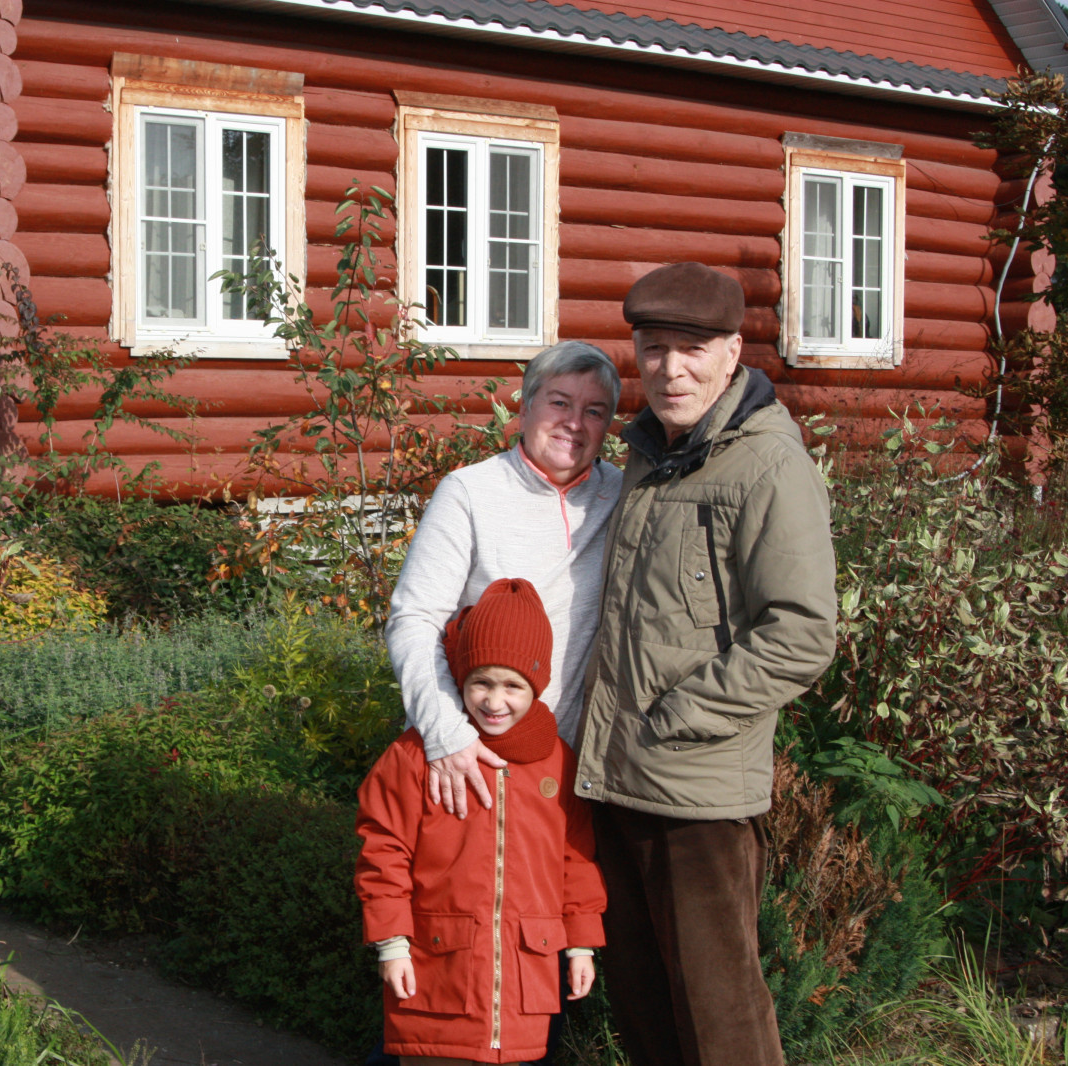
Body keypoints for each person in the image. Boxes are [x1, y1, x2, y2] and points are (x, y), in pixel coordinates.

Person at [571, 262, 838, 1066]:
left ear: (732, 352)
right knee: (647, 1007)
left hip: (698, 795)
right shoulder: (654, 456)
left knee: (722, 1020)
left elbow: (801, 632)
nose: (670, 370)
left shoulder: (765, 465)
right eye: (653, 350)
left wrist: (677, 717)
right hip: (619, 780)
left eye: (691, 350)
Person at [357, 578, 608, 1066]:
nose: (495, 702)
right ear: (460, 679)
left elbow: (575, 859)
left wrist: (581, 944)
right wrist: (390, 943)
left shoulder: (558, 762)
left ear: (537, 684)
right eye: (481, 683)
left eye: (512, 686)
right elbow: (383, 848)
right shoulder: (414, 757)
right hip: (436, 976)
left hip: (525, 983)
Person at [386, 341, 622, 821]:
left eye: (593, 411)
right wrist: (446, 732)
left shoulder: (620, 493)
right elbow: (414, 619)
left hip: (574, 764)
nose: (574, 423)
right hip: (478, 754)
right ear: (525, 405)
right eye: (559, 402)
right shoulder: (470, 492)